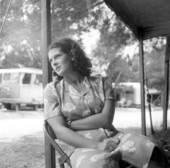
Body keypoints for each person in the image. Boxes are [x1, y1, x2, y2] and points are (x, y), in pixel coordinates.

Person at [44, 38, 169, 168]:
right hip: (82, 145)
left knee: (150, 149)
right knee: (99, 164)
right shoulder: (52, 90)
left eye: (57, 56)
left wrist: (70, 124)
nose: (54, 63)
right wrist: (98, 145)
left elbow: (106, 120)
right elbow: (59, 131)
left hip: (115, 137)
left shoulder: (102, 82)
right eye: (51, 60)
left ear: (71, 54)